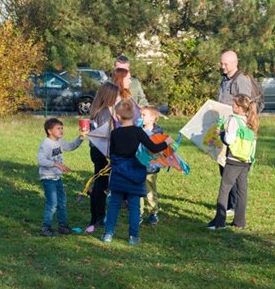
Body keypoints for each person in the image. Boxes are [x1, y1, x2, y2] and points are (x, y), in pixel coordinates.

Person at [101, 99, 174, 245]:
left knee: (114, 204)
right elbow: (153, 148)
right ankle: (133, 237)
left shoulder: (115, 133)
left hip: (119, 173)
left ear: (118, 116)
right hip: (135, 173)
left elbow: (111, 153)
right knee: (134, 206)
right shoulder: (138, 132)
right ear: (133, 115)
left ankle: (108, 234)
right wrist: (167, 142)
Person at [207, 94, 258, 230]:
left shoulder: (234, 119)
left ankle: (219, 222)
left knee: (225, 189)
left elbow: (229, 140)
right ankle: (239, 222)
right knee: (242, 191)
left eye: (235, 104)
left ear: (241, 107)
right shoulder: (250, 120)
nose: (232, 106)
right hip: (246, 161)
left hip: (234, 160)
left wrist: (221, 133)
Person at [217, 50, 253, 216]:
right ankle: (231, 203)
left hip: (236, 130)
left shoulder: (241, 81)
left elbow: (247, 105)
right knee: (223, 165)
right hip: (225, 126)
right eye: (221, 63)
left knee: (233, 169)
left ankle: (233, 205)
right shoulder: (224, 80)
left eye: (225, 64)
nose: (222, 66)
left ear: (234, 63)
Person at [38, 118, 85, 237]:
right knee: (52, 203)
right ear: (49, 131)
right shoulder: (46, 144)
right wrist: (56, 164)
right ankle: (45, 228)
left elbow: (70, 146)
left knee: (62, 203)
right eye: (58, 128)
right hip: (48, 178)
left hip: (57, 178)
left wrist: (81, 137)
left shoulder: (59, 141)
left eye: (62, 128)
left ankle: (63, 226)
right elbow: (41, 160)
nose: (61, 131)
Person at [86, 82, 120, 233]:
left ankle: (96, 216)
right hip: (102, 152)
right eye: (116, 95)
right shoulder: (105, 112)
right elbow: (108, 135)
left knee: (98, 182)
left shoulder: (96, 111)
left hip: (95, 150)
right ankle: (98, 217)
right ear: (110, 96)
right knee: (101, 185)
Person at [140, 105, 164, 225]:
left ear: (153, 118)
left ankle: (153, 212)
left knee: (150, 190)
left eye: (144, 115)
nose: (141, 117)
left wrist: (145, 134)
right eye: (141, 114)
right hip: (138, 165)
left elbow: (157, 146)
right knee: (138, 190)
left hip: (151, 167)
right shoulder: (138, 128)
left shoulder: (157, 131)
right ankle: (138, 213)